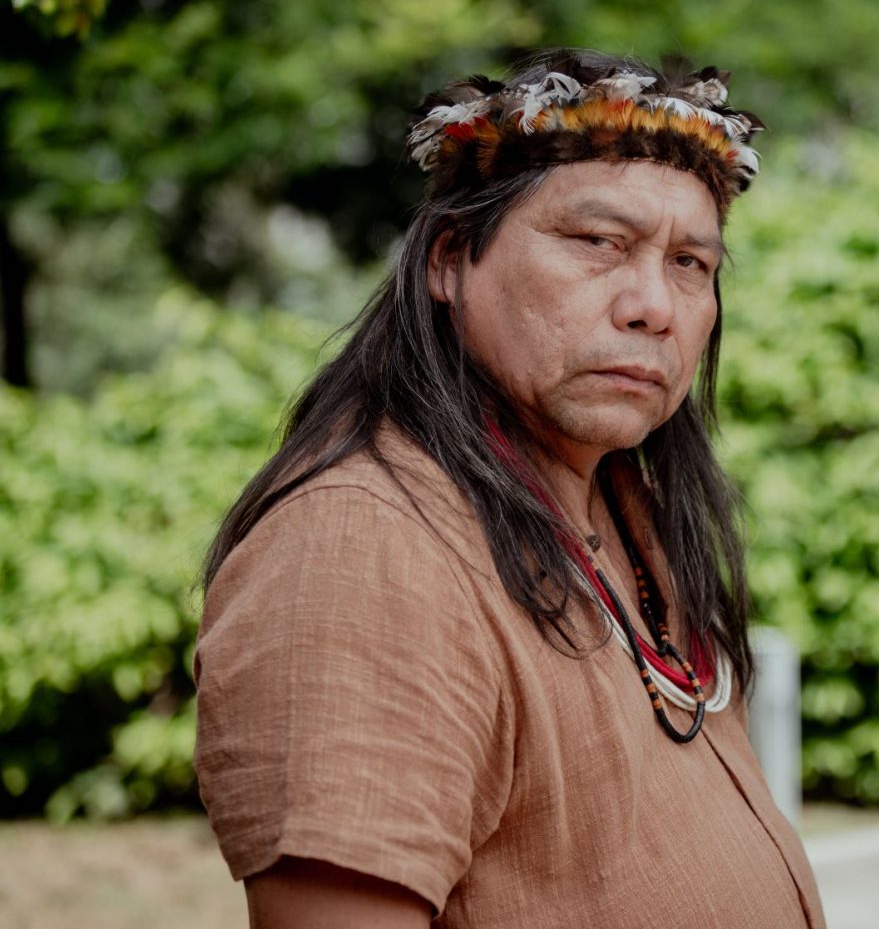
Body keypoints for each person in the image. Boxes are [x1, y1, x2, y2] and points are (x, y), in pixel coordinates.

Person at [193, 48, 826, 928]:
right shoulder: (361, 551)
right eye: (598, 242)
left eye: (691, 262)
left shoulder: (627, 510)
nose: (654, 304)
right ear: (450, 261)